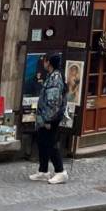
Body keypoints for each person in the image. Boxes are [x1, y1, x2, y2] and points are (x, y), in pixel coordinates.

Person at [29, 54, 68, 184]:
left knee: (51, 143)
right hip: (43, 117)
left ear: (49, 63)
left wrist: (48, 120)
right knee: (42, 142)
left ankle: (60, 171)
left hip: (50, 118)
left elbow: (53, 102)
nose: (43, 63)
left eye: (44, 61)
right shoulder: (51, 76)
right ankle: (43, 170)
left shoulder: (55, 78)